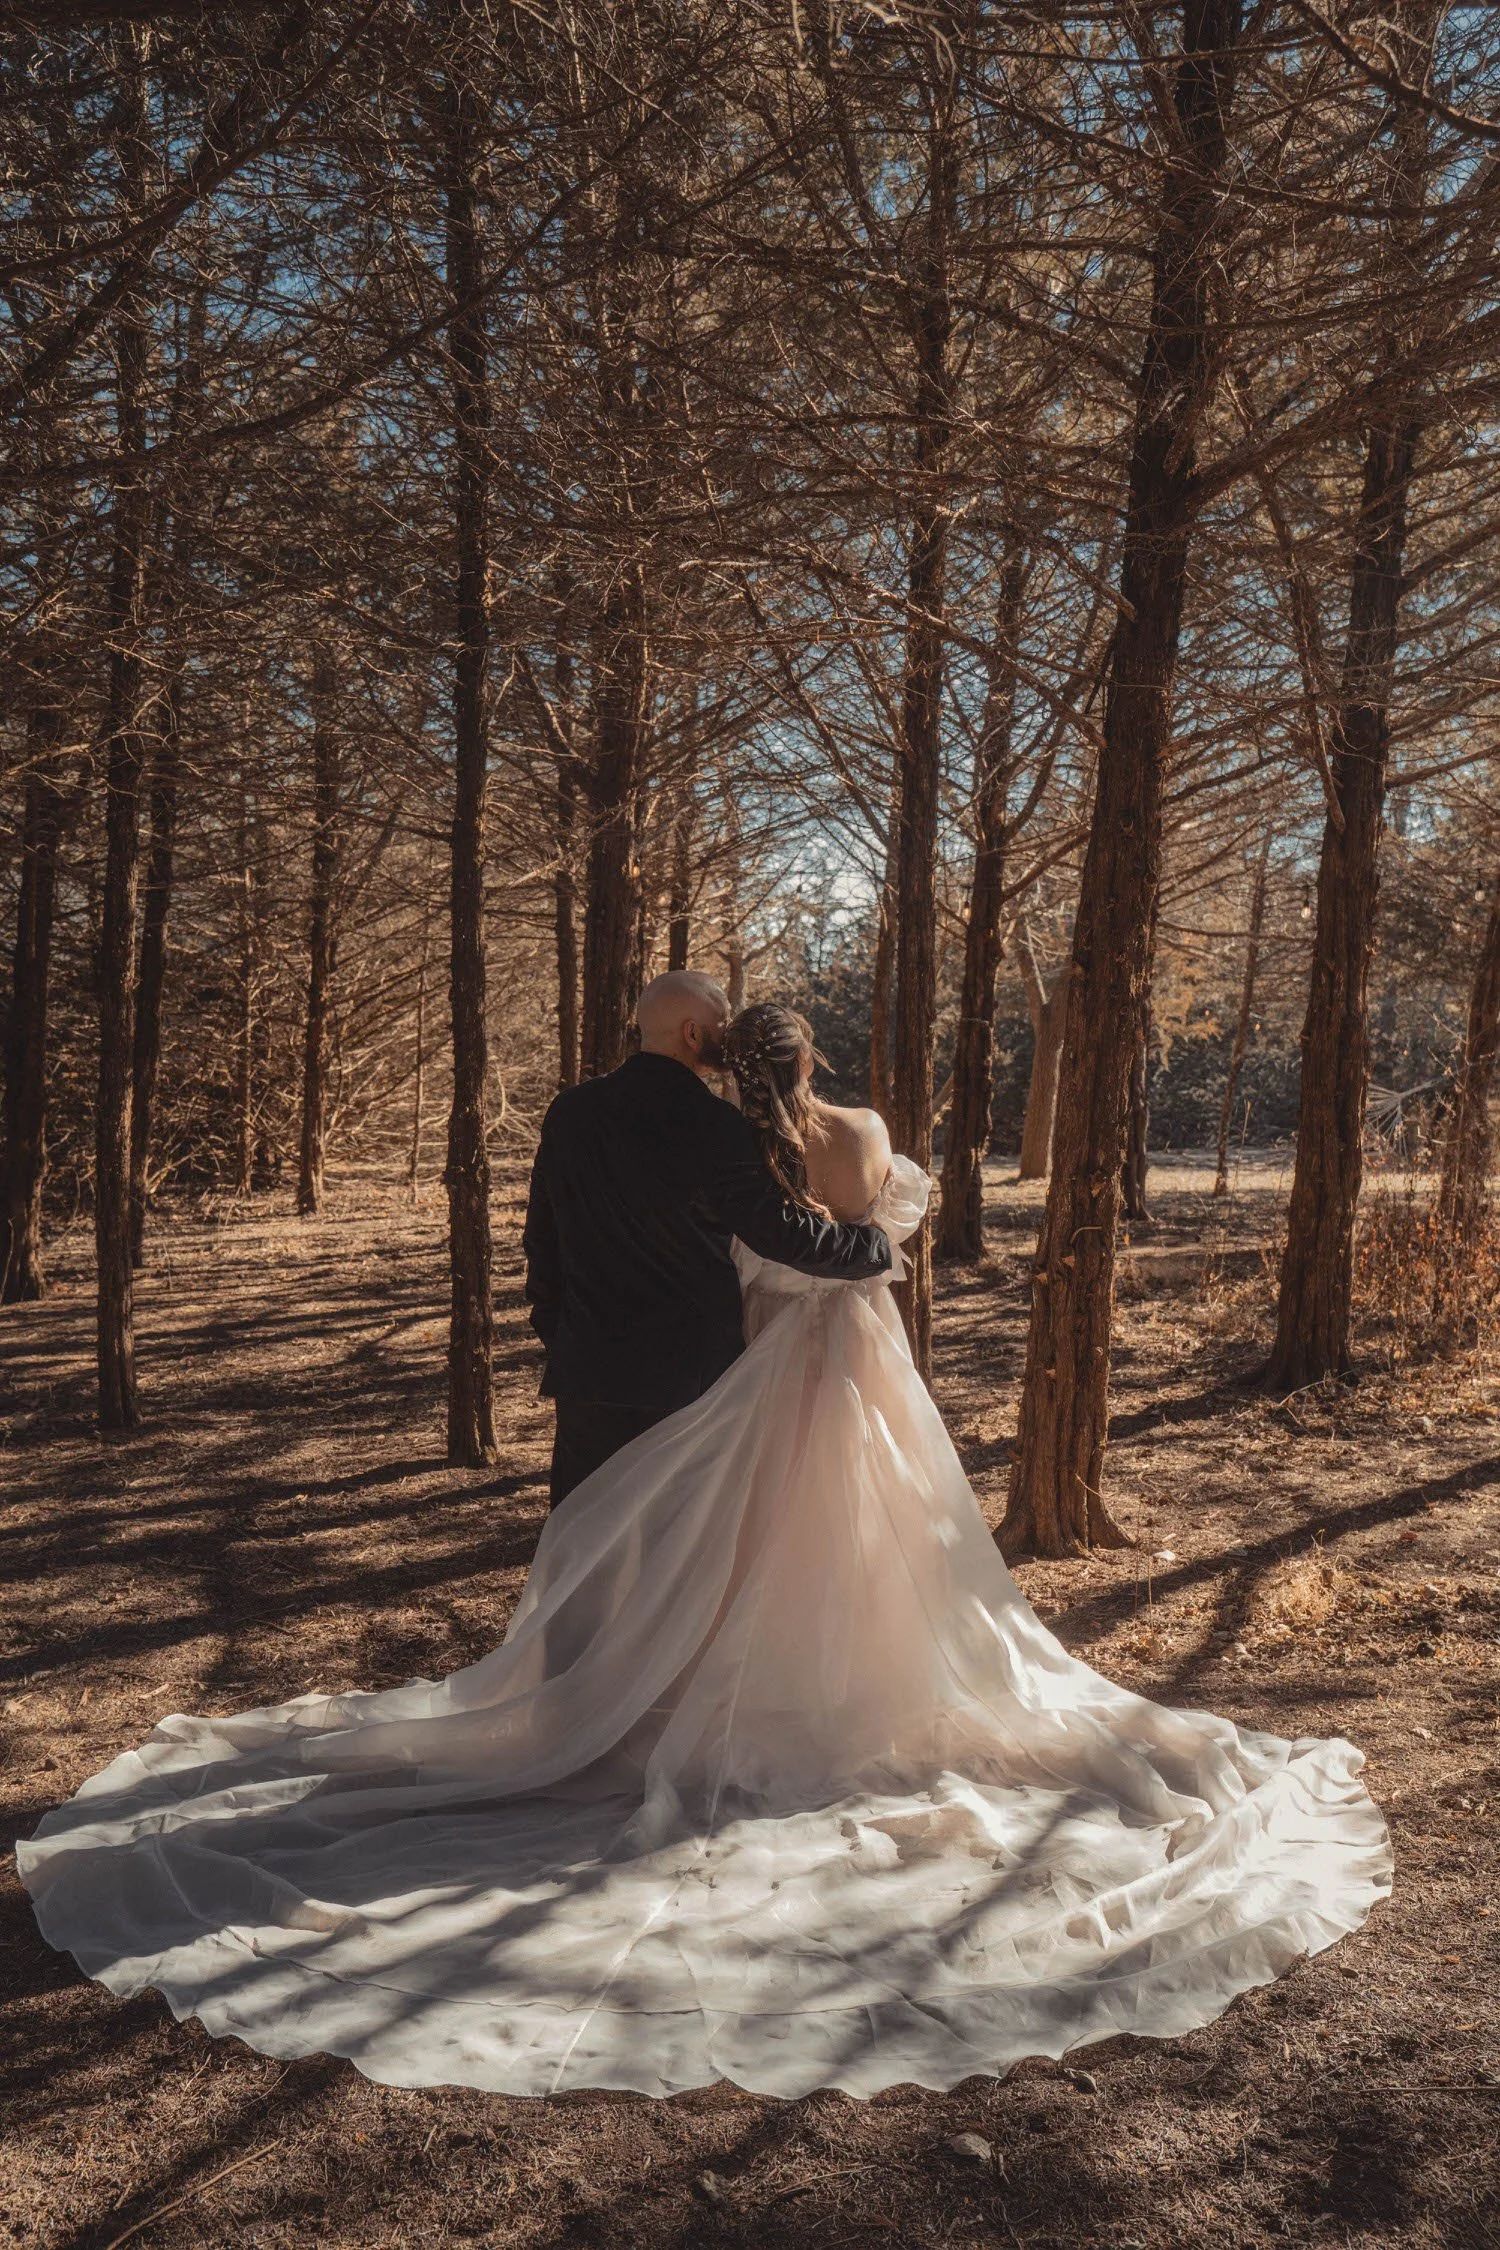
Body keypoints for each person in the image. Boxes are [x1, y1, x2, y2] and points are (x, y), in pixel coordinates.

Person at [16, 1000, 1391, 2102]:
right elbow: (834, 1242)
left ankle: (625, 1695)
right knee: (819, 1541)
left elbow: (583, 1235)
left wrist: (566, 1325)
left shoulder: (655, 1123)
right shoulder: (816, 1133)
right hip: (802, 1363)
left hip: (685, 1366)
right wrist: (870, 1250)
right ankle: (738, 1693)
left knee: (642, 1546)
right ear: (792, 1057)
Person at [523, 969, 891, 1509]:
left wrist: (559, 1333)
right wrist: (869, 1249)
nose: (730, 1033)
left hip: (589, 1366)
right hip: (685, 1373)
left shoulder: (570, 1111)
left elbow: (542, 1238)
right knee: (676, 1547)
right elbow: (777, 1229)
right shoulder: (714, 1123)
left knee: (582, 1534)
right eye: (721, 1019)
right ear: (693, 1034)